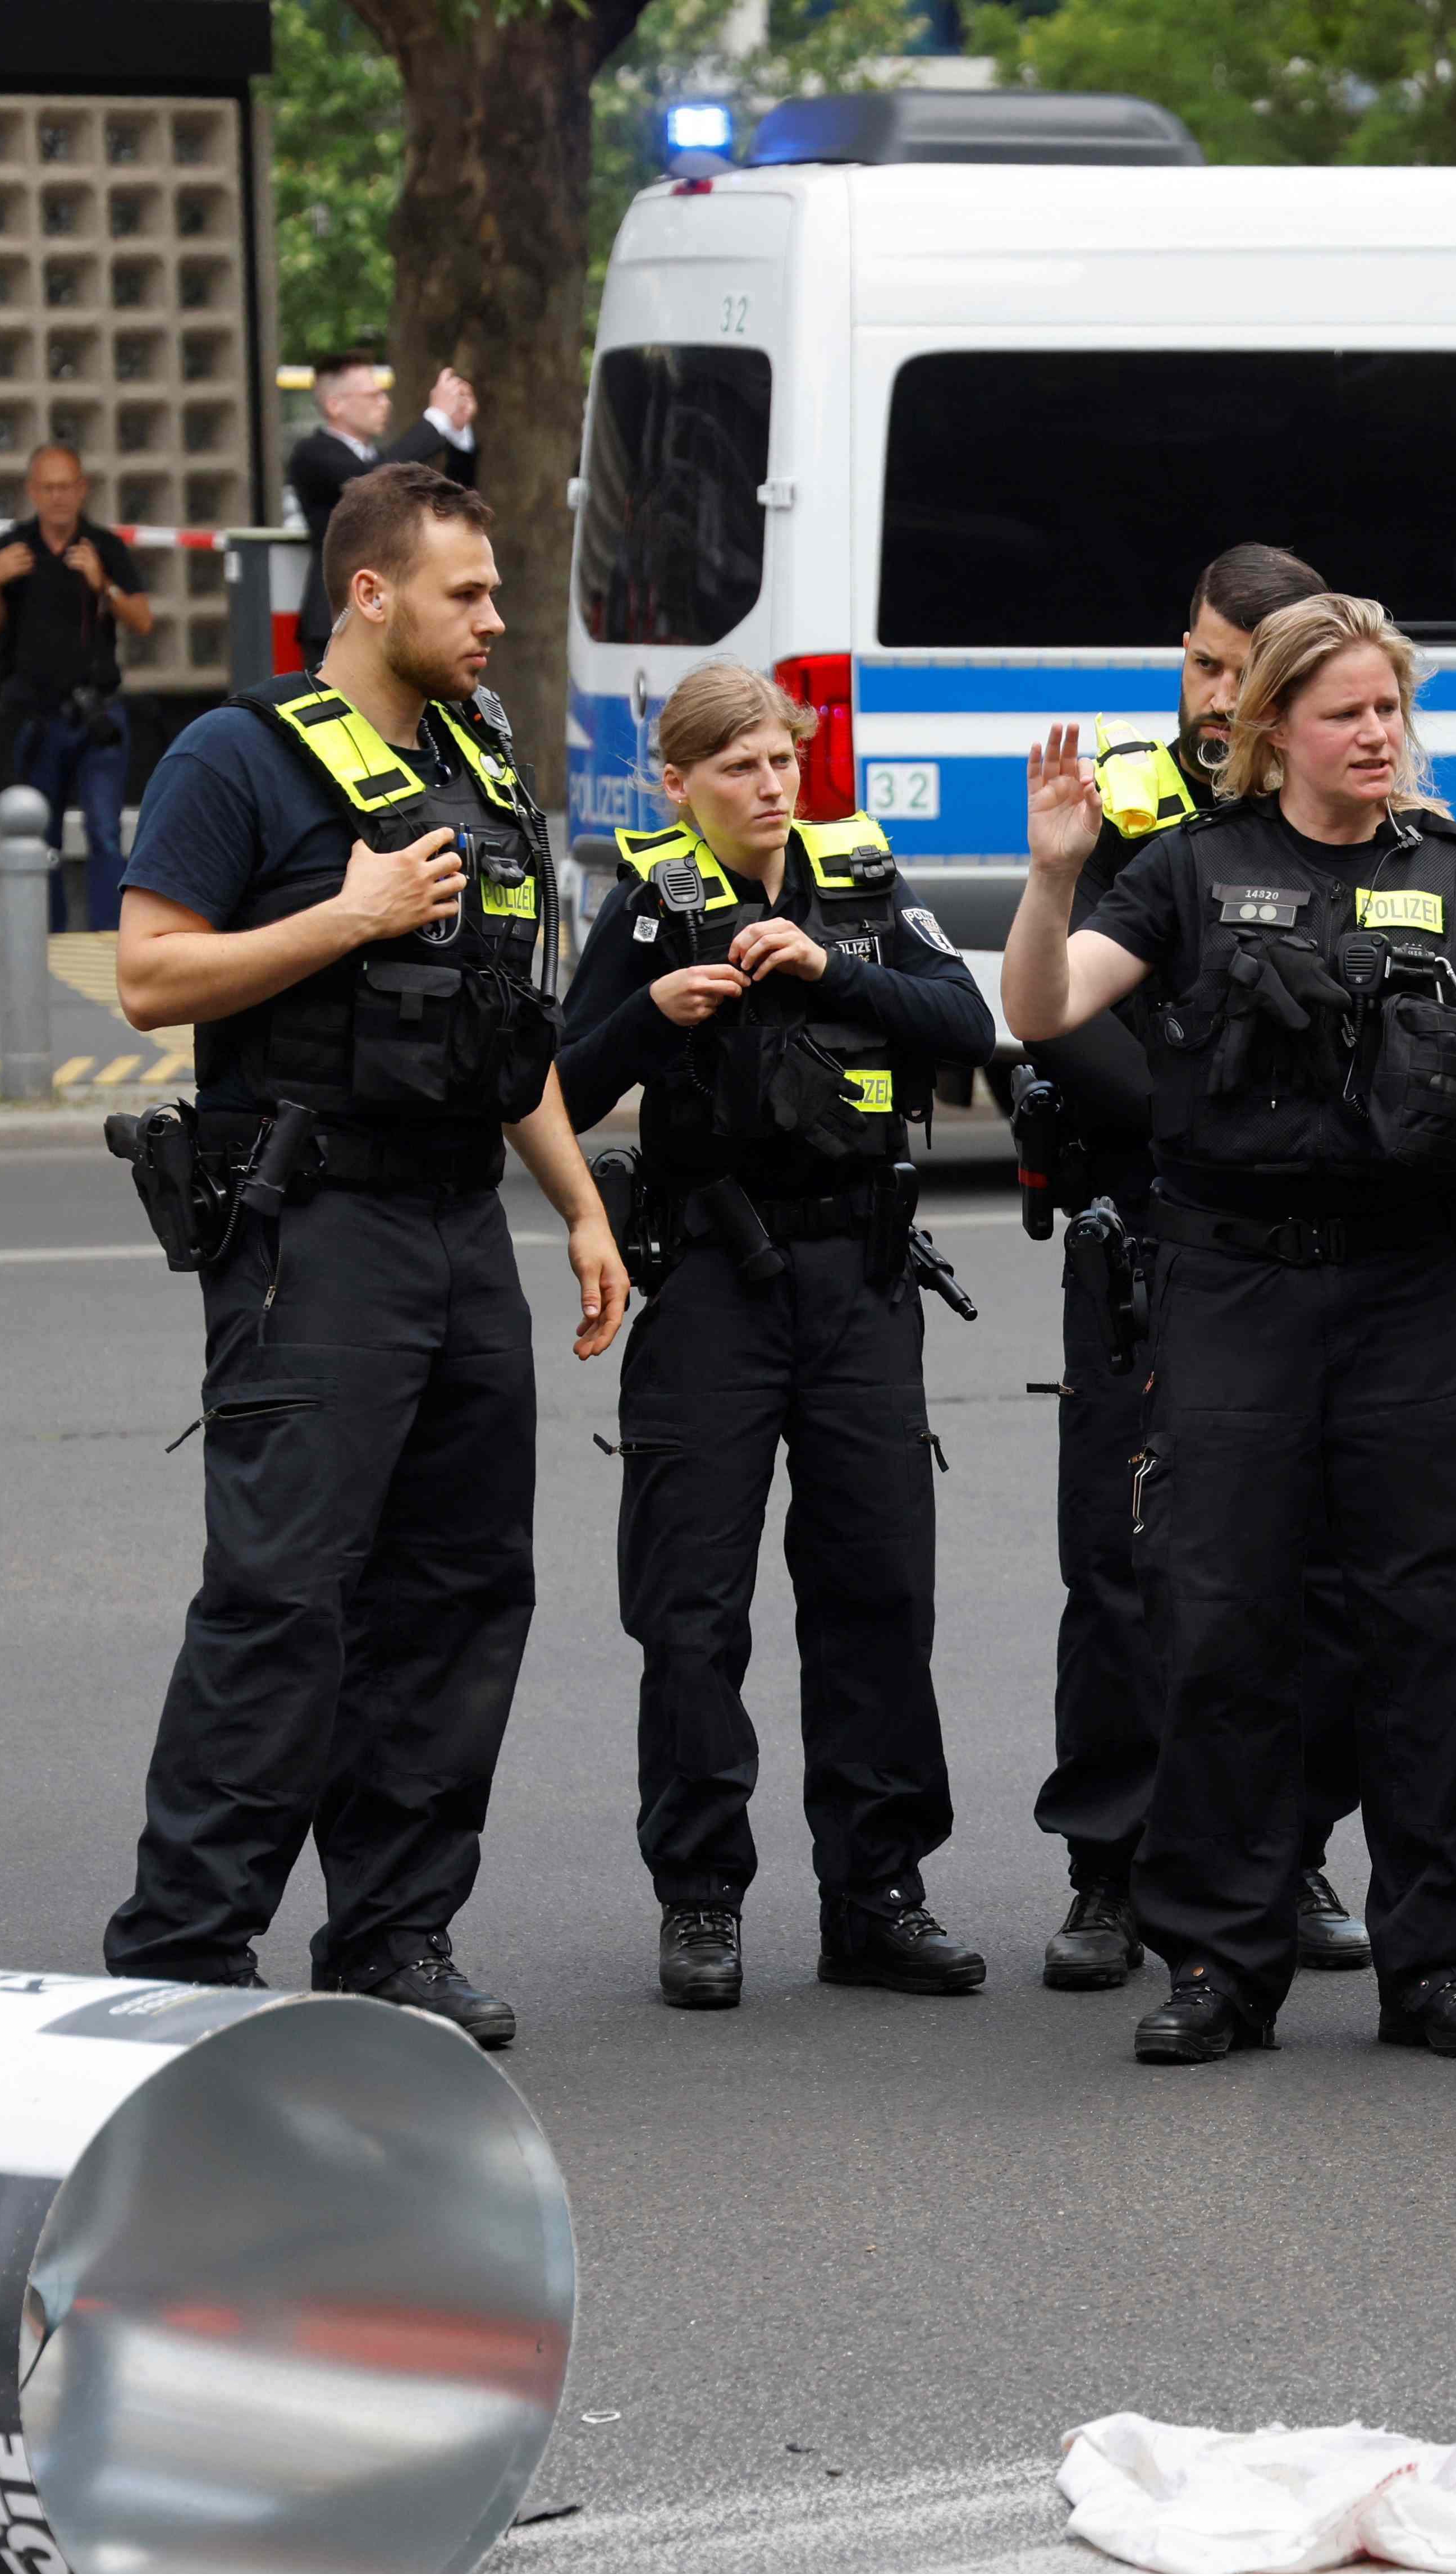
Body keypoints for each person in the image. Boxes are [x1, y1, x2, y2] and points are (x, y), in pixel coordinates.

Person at [1005, 593, 1456, 2066]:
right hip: (1231, 1288)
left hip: (1405, 1289)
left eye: (1389, 708)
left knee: (1435, 1616)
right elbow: (1042, 1006)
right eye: (1345, 713)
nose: (1376, 734)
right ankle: (1217, 1959)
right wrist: (1051, 878)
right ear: (1274, 730)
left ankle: (1438, 1959)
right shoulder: (1195, 873)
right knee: (1218, 1617)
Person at [97, 459, 631, 2047]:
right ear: (369, 592)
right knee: (285, 1594)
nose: (495, 621)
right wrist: (349, 915)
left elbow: (502, 1029)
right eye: (467, 594)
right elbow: (147, 975)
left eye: (498, 594)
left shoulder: (482, 761)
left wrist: (581, 1209)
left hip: (460, 1220)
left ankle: (394, 1935)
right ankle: (185, 1949)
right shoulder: (236, 759)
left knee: (464, 1594)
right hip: (308, 1225)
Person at [556, 665, 998, 2008]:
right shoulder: (652, 906)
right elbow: (558, 1082)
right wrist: (656, 1011)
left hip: (856, 1276)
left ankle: (876, 1893)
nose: (766, 785)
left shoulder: (856, 880)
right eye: (735, 766)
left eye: (778, 759)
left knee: (876, 1591)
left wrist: (835, 968)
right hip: (710, 1283)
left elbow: (966, 1025)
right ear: (679, 785)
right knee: (690, 1605)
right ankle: (701, 1896)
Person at [1010, 543, 1376, 1993]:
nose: (1212, 694)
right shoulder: (1124, 802)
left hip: (1295, 1239)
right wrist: (1198, 1120)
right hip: (1142, 1215)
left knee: (1296, 1568)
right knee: (1120, 1556)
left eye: (1240, 669)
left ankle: (1283, 1853)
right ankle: (1110, 1861)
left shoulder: (1342, 811)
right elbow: (1056, 1012)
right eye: (1198, 662)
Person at [0, 446, 152, 931]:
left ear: (83, 489)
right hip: (37, 715)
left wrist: (104, 585)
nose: (58, 497)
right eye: (48, 487)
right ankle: (44, 935)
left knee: (103, 830)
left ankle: (111, 937)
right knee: (40, 834)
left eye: (67, 486)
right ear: (33, 491)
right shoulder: (13, 547)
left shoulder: (103, 547)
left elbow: (142, 621)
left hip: (97, 714)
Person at [287, 356, 477, 665]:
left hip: (395, 615)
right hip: (338, 619)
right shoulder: (314, 454)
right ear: (336, 405)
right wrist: (437, 420)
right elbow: (372, 482)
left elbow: (456, 502)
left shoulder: (384, 458)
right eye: (373, 395)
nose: (384, 403)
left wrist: (456, 433)